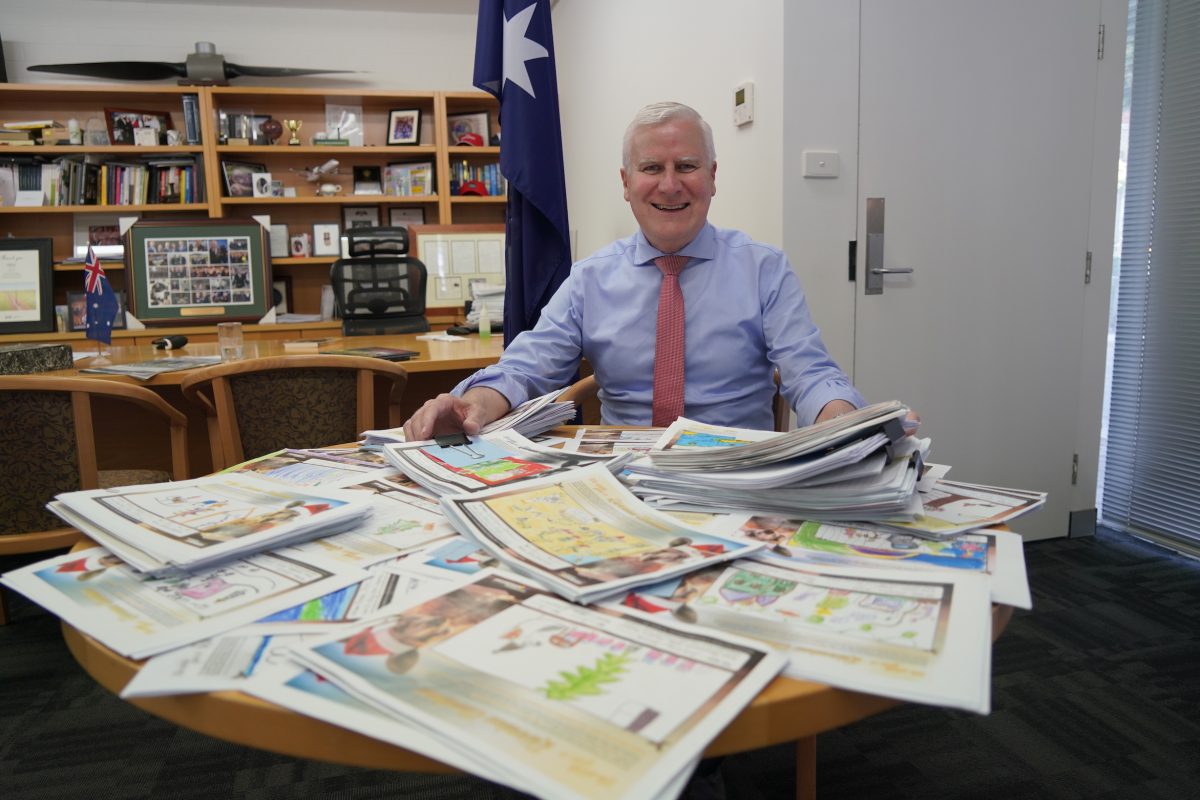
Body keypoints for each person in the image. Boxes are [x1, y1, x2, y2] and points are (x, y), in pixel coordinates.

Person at [404, 101, 864, 440]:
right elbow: (525, 369)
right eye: (651, 168)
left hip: (735, 472)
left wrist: (846, 421)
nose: (669, 184)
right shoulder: (590, 279)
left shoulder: (764, 268)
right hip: (620, 473)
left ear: (712, 177)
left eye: (687, 166)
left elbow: (811, 373)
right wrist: (470, 407)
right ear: (626, 183)